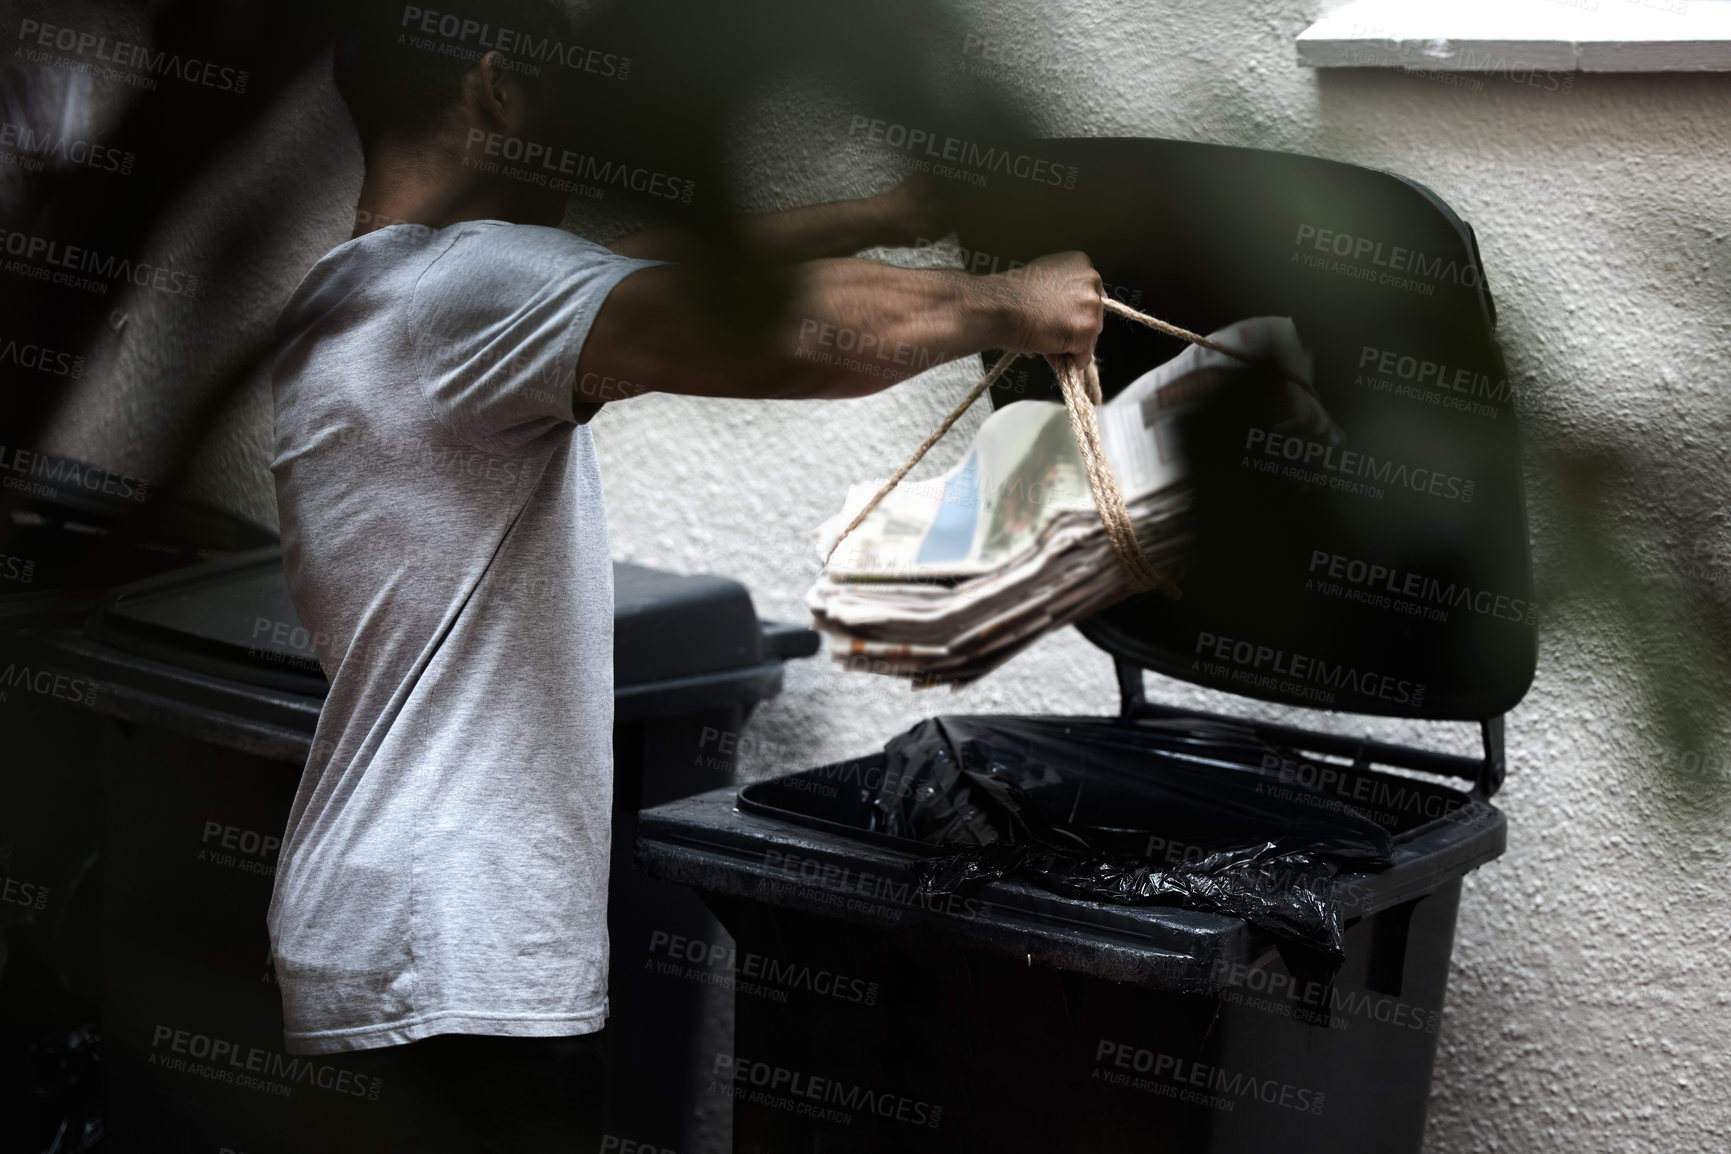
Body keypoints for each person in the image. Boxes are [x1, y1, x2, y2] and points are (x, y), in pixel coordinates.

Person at [267, 1, 1106, 1149]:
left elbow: (646, 264)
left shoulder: (362, 291)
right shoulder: (472, 290)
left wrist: (890, 212)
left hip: (379, 930)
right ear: (498, 86)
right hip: (459, 958)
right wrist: (1009, 304)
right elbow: (780, 332)